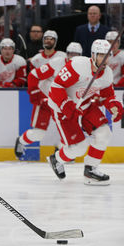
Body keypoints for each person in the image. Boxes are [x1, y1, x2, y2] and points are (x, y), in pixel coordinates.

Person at [47, 39, 123, 185]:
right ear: (93, 55)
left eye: (107, 56)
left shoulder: (107, 73)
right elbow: (56, 87)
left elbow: (108, 95)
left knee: (104, 133)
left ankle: (90, 170)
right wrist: (67, 106)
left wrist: (114, 106)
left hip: (85, 106)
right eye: (101, 55)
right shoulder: (78, 66)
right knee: (78, 148)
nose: (104, 59)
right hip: (61, 107)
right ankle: (56, 159)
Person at [14, 42, 83, 158]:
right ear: (66, 54)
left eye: (76, 54)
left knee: (72, 132)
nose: (73, 57)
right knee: (39, 134)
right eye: (71, 54)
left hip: (64, 103)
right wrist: (36, 95)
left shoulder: (83, 68)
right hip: (46, 100)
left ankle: (60, 149)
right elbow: (33, 75)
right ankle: (21, 141)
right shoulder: (57, 63)